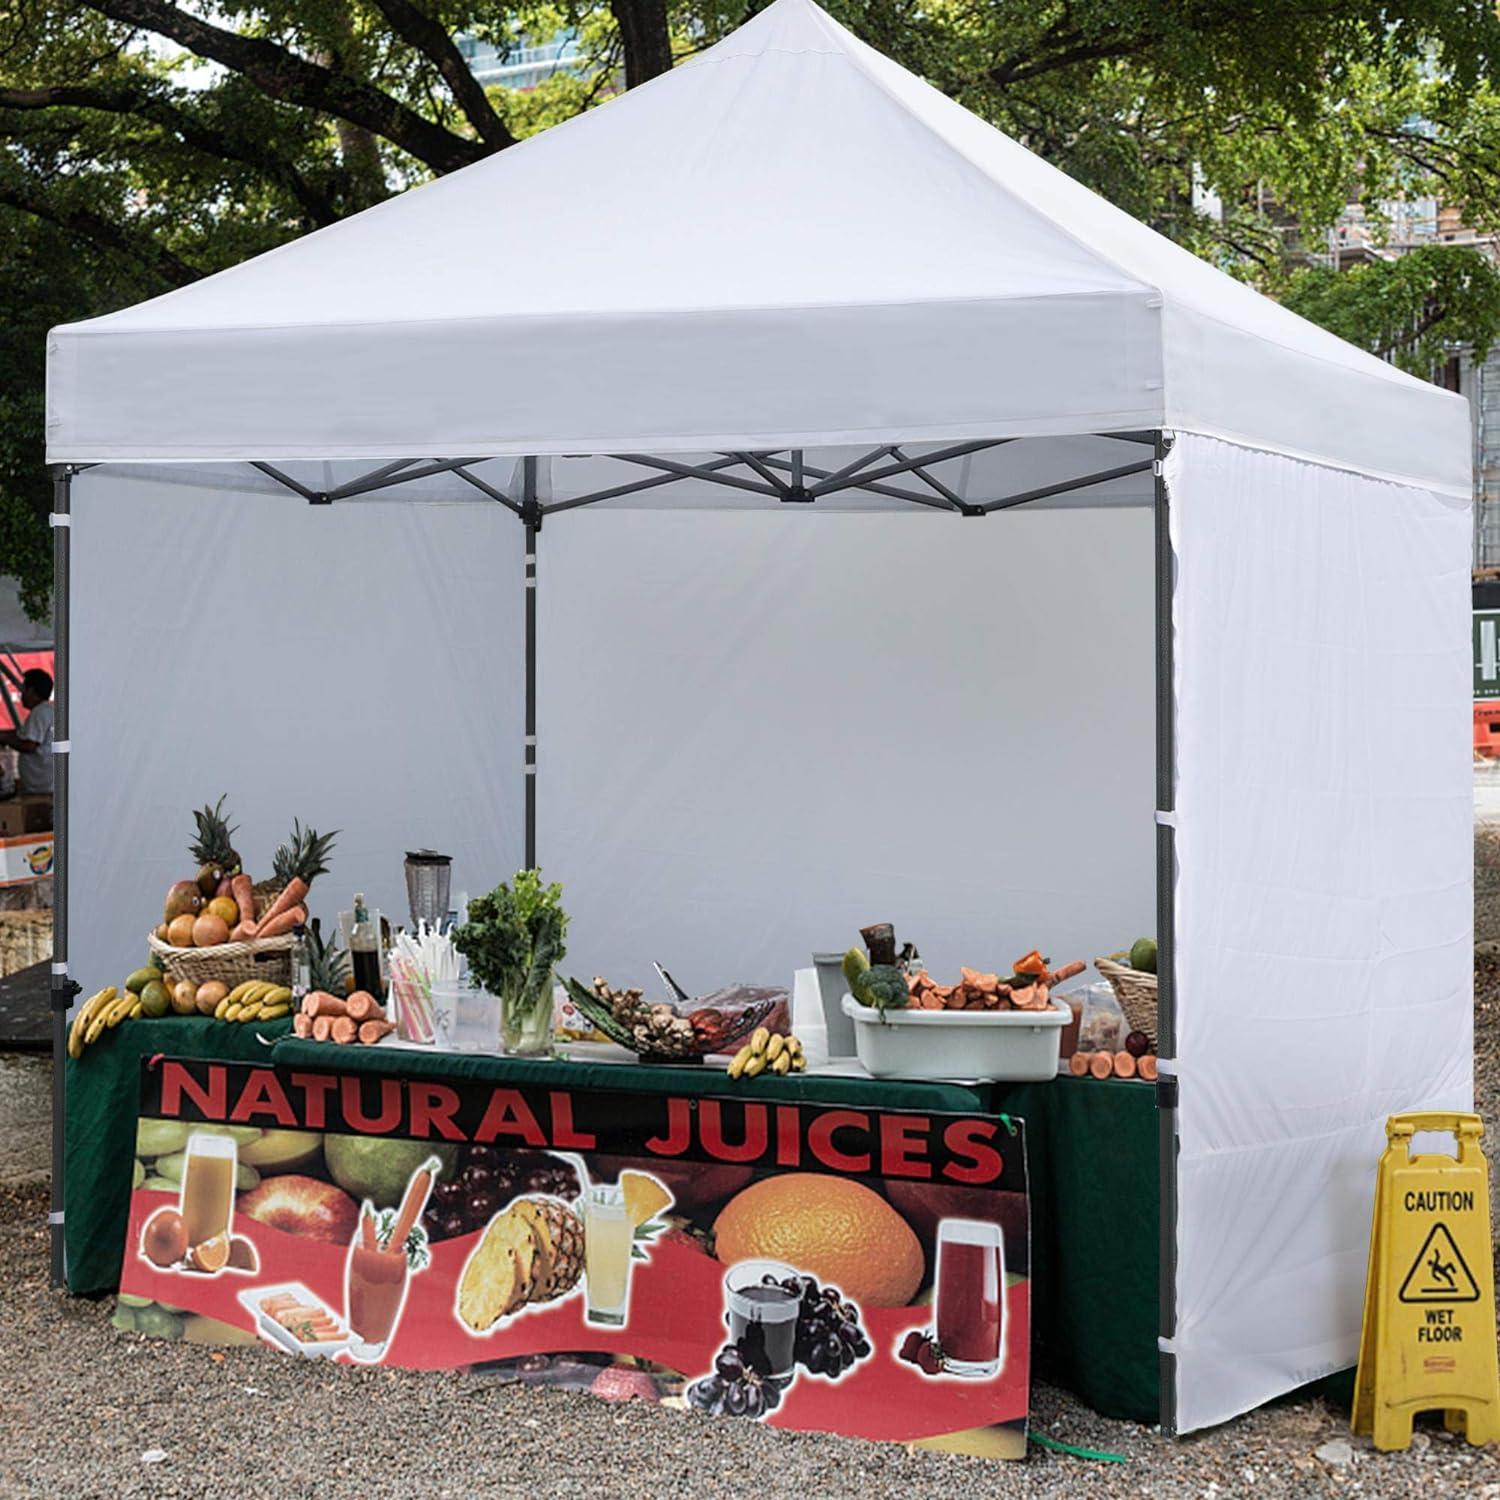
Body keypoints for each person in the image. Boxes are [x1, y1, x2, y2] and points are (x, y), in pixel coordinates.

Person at [0, 668, 55, 798]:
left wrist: (5, 739)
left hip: (41, 787)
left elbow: (29, 745)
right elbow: (20, 734)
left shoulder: (40, 713)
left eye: (23, 690)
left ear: (31, 691)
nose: (21, 695)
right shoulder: (47, 711)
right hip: (44, 785)